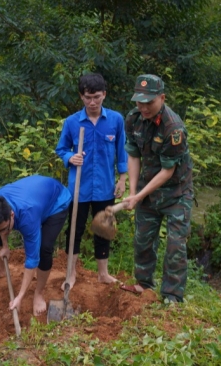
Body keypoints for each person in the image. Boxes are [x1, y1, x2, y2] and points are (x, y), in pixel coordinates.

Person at [120, 74, 194, 303]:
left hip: (176, 194)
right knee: (142, 240)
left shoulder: (173, 128)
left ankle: (172, 296)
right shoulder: (133, 118)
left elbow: (167, 172)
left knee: (175, 247)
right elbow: (133, 156)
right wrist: (133, 192)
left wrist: (139, 195)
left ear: (162, 98)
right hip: (147, 191)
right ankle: (144, 284)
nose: (143, 107)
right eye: (139, 102)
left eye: (149, 102)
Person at [55, 73, 128, 289]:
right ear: (81, 97)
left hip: (105, 188)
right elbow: (61, 149)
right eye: (88, 97)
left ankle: (103, 274)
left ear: (104, 95)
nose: (92, 102)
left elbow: (121, 151)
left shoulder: (116, 120)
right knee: (74, 231)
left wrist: (122, 179)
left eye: (96, 97)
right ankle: (70, 274)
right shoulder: (71, 123)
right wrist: (70, 157)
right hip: (79, 188)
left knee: (103, 230)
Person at [0, 175, 71, 316]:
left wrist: (19, 297)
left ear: (12, 215)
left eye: (5, 229)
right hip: (35, 196)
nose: (2, 232)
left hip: (56, 202)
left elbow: (32, 260)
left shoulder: (27, 217)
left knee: (44, 248)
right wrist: (5, 246)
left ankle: (39, 293)